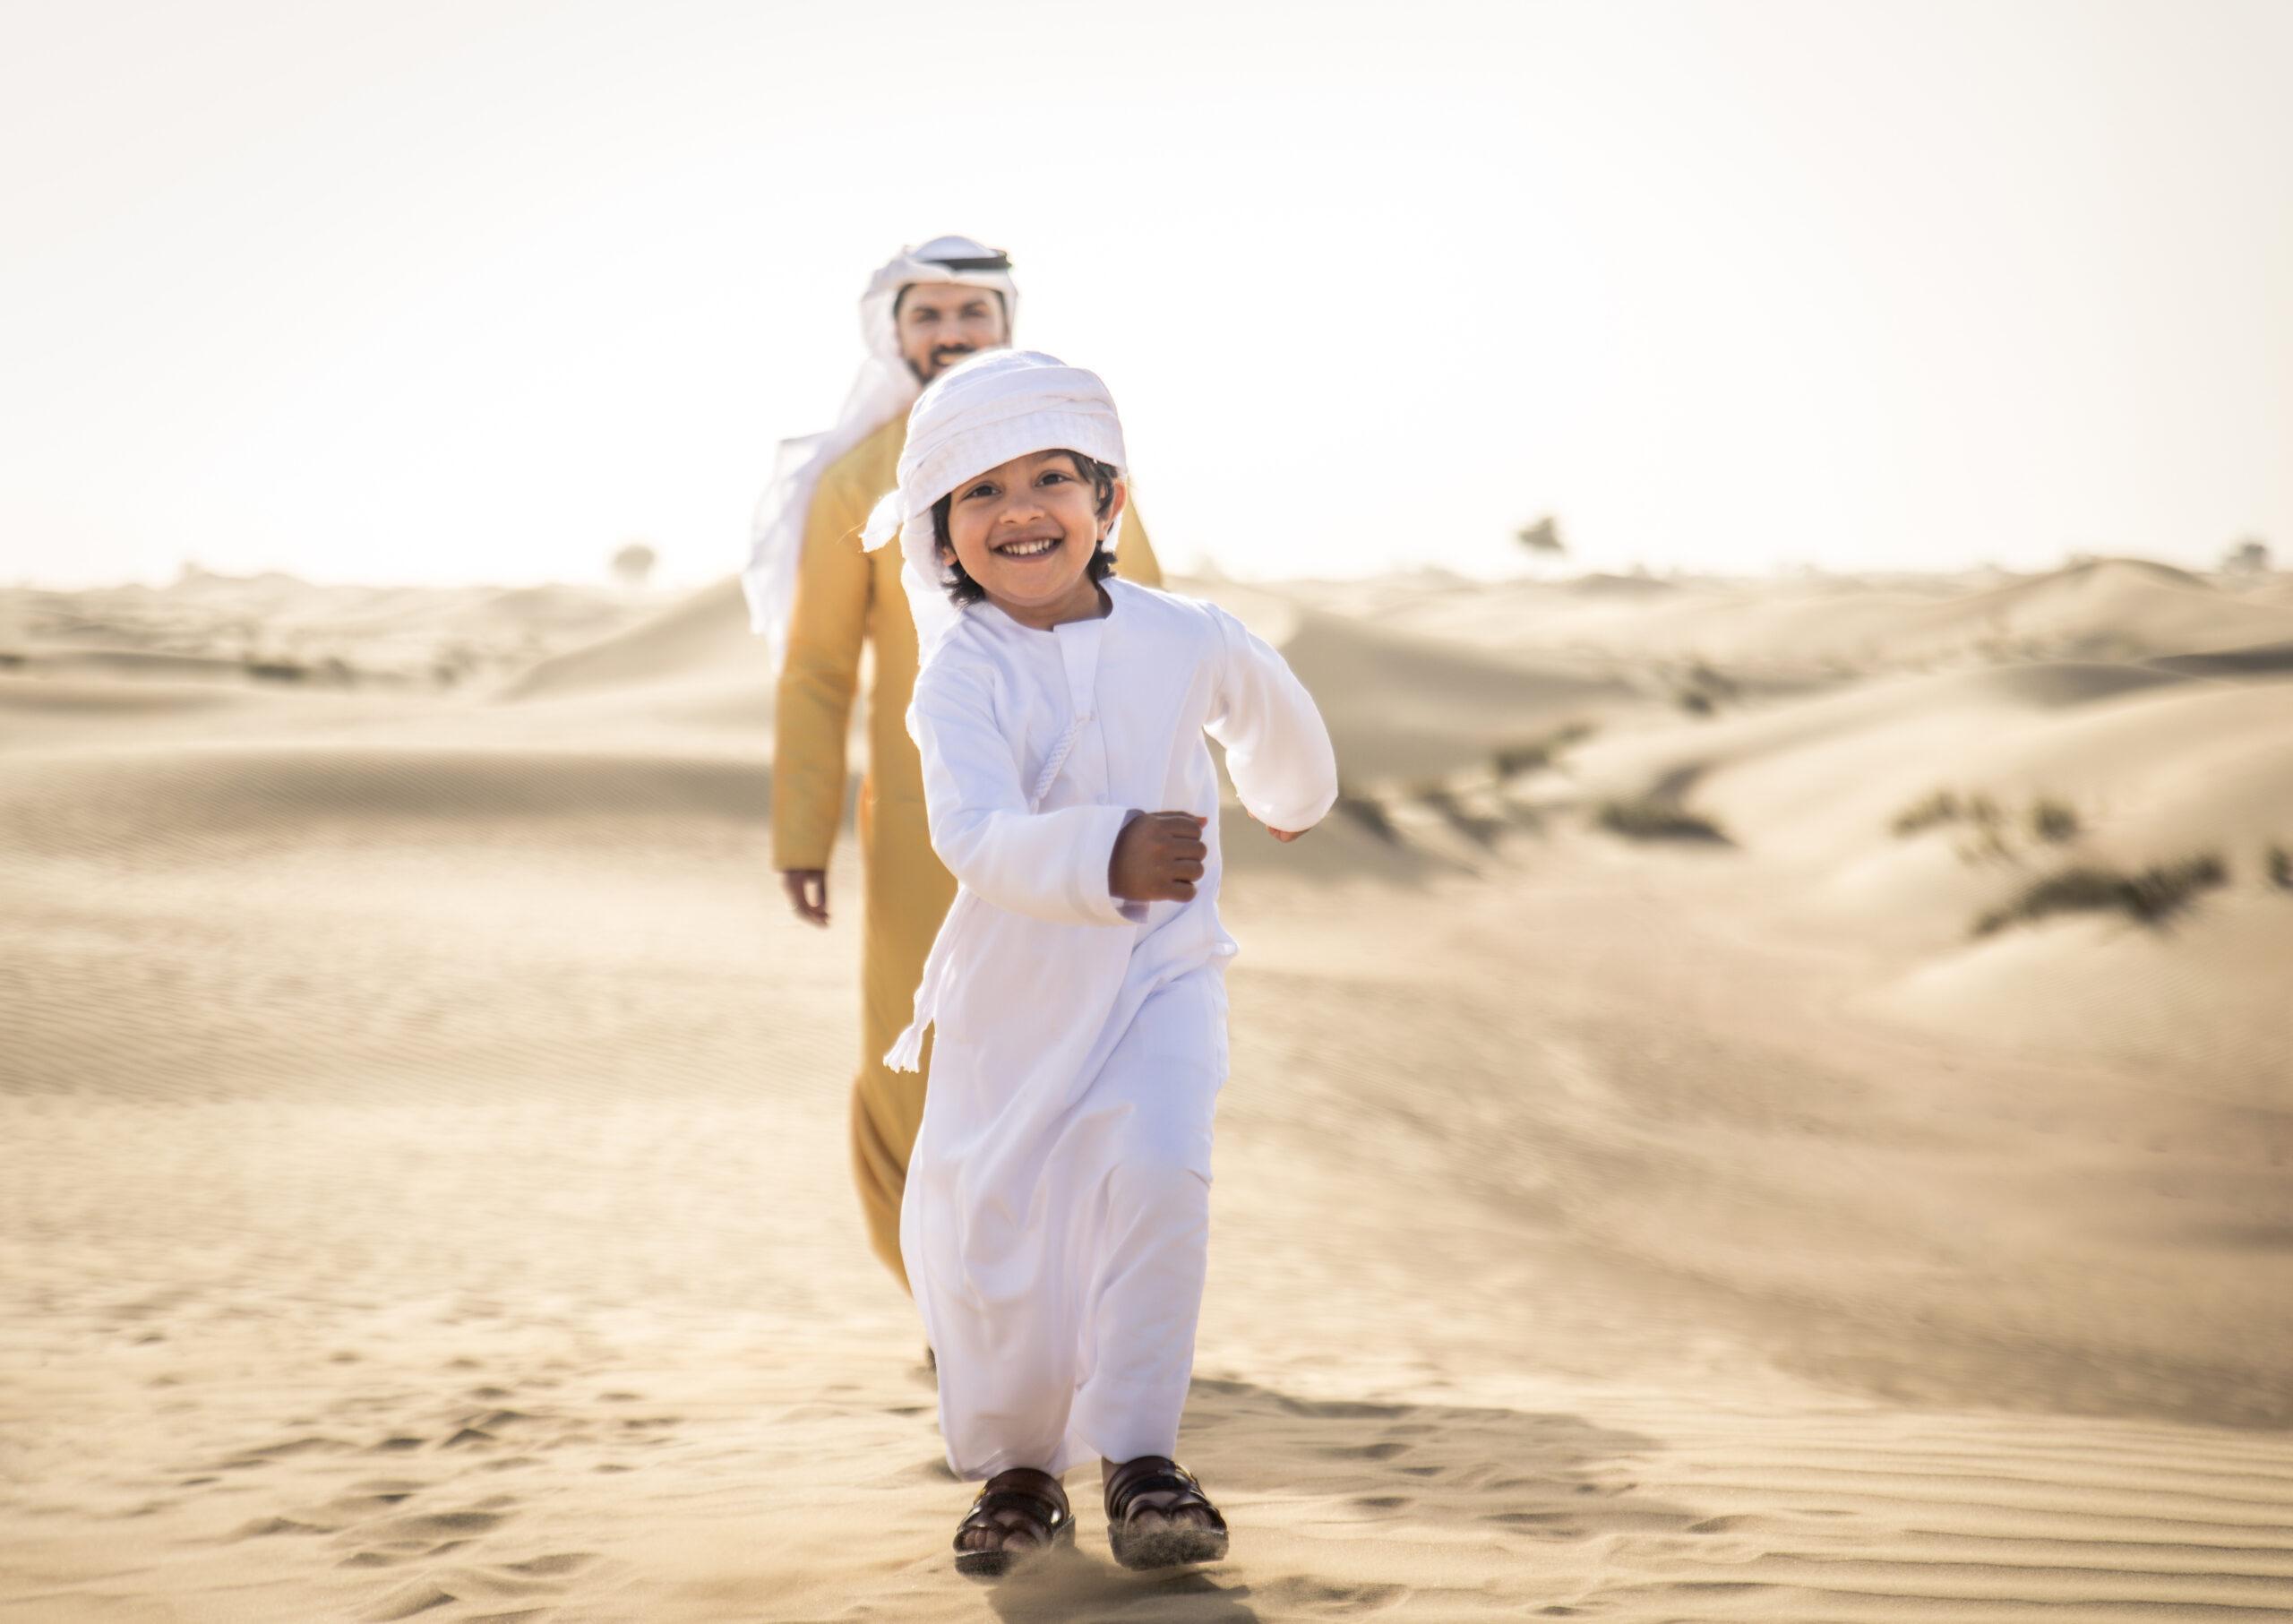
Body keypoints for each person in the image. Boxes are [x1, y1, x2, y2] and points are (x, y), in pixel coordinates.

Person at [859, 349, 1337, 1575]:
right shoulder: (959, 673)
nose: (1020, 509)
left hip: (1160, 977)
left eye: (1052, 478)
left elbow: (1273, 721)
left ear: (1109, 503)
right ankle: (1019, 1474)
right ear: (942, 534)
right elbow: (972, 834)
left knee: (1159, 1174)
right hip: (1010, 1000)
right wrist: (1111, 849)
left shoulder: (1188, 634)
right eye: (980, 491)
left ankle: (1141, 1459)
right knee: (998, 1232)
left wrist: (1289, 795)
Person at [745, 239, 1166, 1293]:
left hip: (1081, 805)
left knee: (1083, 1039)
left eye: (969, 314)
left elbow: (1151, 625)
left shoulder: (1076, 463)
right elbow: (816, 671)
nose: (949, 335)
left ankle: (1074, 1293)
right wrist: (800, 835)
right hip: (923, 826)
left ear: (1002, 324)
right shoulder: (855, 482)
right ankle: (946, 1294)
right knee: (917, 1041)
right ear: (893, 332)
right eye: (927, 315)